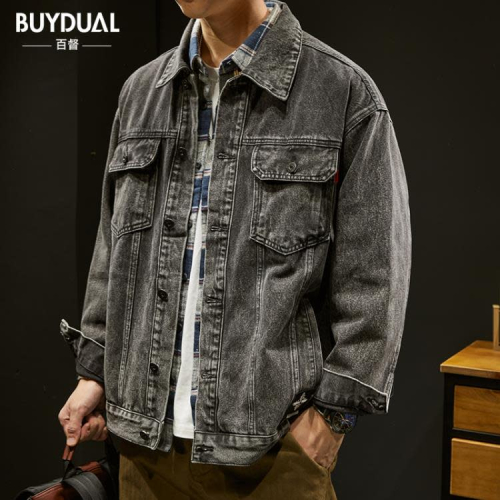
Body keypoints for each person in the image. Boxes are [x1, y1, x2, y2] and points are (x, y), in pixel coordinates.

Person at [57, 0, 412, 498]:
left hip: (270, 455)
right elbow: (112, 251)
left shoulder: (341, 91)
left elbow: (376, 275)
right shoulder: (142, 92)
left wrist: (331, 418)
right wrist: (94, 374)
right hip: (144, 450)